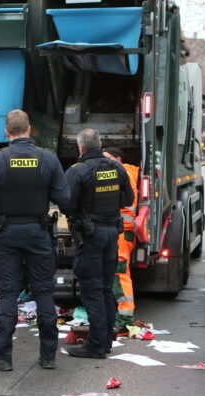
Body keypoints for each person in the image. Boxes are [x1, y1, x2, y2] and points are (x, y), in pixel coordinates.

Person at [0, 109, 70, 371]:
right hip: (39, 233)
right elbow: (64, 198)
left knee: (8, 294)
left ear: (7, 132)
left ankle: (2, 357)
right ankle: (48, 356)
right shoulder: (47, 158)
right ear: (30, 129)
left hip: (6, 235)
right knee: (44, 292)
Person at [64, 130, 133, 359]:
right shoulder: (117, 168)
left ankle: (95, 346)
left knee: (92, 290)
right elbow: (129, 199)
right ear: (100, 145)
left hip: (91, 236)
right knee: (105, 289)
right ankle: (105, 342)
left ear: (81, 148)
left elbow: (66, 205)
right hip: (112, 233)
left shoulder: (78, 171)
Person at [102, 147, 138, 335]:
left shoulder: (122, 174)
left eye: (108, 158)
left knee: (120, 272)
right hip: (122, 231)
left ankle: (125, 319)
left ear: (118, 158)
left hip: (122, 231)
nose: (104, 161)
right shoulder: (126, 172)